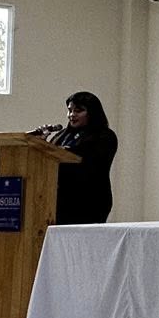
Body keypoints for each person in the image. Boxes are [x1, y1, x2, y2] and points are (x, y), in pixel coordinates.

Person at [32, 91, 117, 225]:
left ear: (92, 112)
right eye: (70, 110)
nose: (72, 115)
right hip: (57, 200)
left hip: (88, 200)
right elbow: (49, 159)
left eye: (78, 111)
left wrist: (62, 150)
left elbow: (88, 160)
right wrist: (41, 143)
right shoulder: (61, 135)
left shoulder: (104, 136)